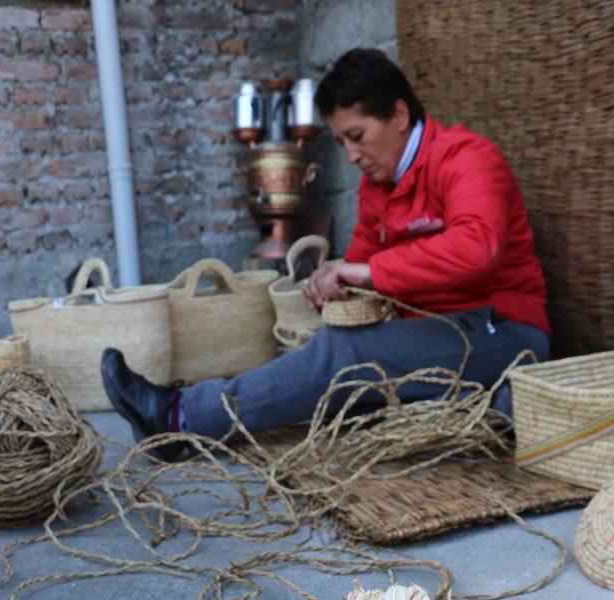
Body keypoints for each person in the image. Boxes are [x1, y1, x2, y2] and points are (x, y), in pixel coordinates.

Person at [101, 48, 549, 458]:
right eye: (341, 142)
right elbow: (361, 261)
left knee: (347, 355)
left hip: (504, 333)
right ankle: (483, 403)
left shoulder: (467, 158)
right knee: (342, 392)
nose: (351, 155)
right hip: (437, 336)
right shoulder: (380, 184)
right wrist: (330, 285)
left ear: (398, 114)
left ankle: (180, 417)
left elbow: (478, 248)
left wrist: (367, 272)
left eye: (357, 135)